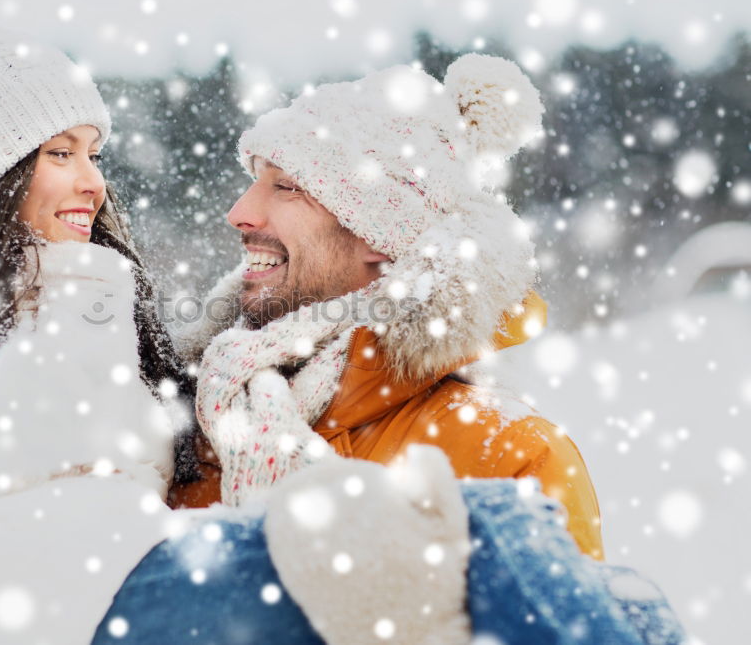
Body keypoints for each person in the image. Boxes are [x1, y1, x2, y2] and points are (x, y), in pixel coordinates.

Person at [0, 0, 476, 644]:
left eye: (93, 153)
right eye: (60, 153)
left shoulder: (92, 297)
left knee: (456, 553)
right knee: (464, 554)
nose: (93, 182)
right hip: (78, 616)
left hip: (145, 598)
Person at [169, 55, 604, 561]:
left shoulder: (509, 458)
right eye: (255, 181)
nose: (239, 213)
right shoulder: (190, 418)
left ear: (380, 235)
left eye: (286, 187)